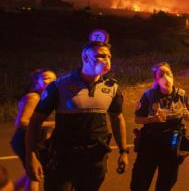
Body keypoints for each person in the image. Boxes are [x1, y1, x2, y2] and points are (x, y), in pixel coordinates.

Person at [25, 41, 129, 191]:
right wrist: (31, 156)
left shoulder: (112, 88)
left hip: (95, 159)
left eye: (109, 56)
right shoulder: (59, 86)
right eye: (100, 55)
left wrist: (123, 151)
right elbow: (35, 122)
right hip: (63, 158)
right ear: (85, 58)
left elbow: (117, 118)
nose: (106, 59)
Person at [130, 62, 189, 191]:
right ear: (156, 79)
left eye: (168, 73)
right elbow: (137, 119)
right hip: (150, 142)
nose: (166, 77)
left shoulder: (181, 95)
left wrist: (187, 115)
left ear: (173, 75)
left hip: (173, 142)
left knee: (167, 180)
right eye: (161, 75)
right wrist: (152, 119)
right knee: (140, 180)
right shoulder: (149, 95)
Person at [10, 69, 56, 191]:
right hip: (25, 140)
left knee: (32, 173)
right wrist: (54, 123)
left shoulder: (44, 97)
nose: (50, 81)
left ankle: (8, 188)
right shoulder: (34, 97)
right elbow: (21, 121)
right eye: (45, 78)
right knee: (34, 175)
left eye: (53, 78)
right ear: (37, 81)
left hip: (33, 139)